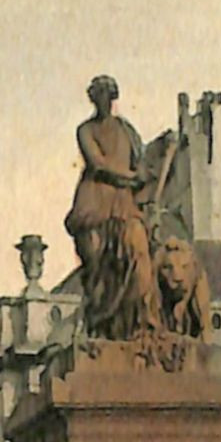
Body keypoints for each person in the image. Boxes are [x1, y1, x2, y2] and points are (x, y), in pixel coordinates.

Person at [64, 75, 165, 341]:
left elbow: (140, 161)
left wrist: (144, 174)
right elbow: (98, 164)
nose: (105, 101)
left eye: (109, 95)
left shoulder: (126, 130)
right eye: (99, 95)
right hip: (96, 199)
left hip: (124, 203)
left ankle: (144, 320)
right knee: (96, 259)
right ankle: (99, 318)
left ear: (114, 98)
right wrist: (132, 177)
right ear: (93, 98)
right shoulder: (85, 130)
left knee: (139, 250)